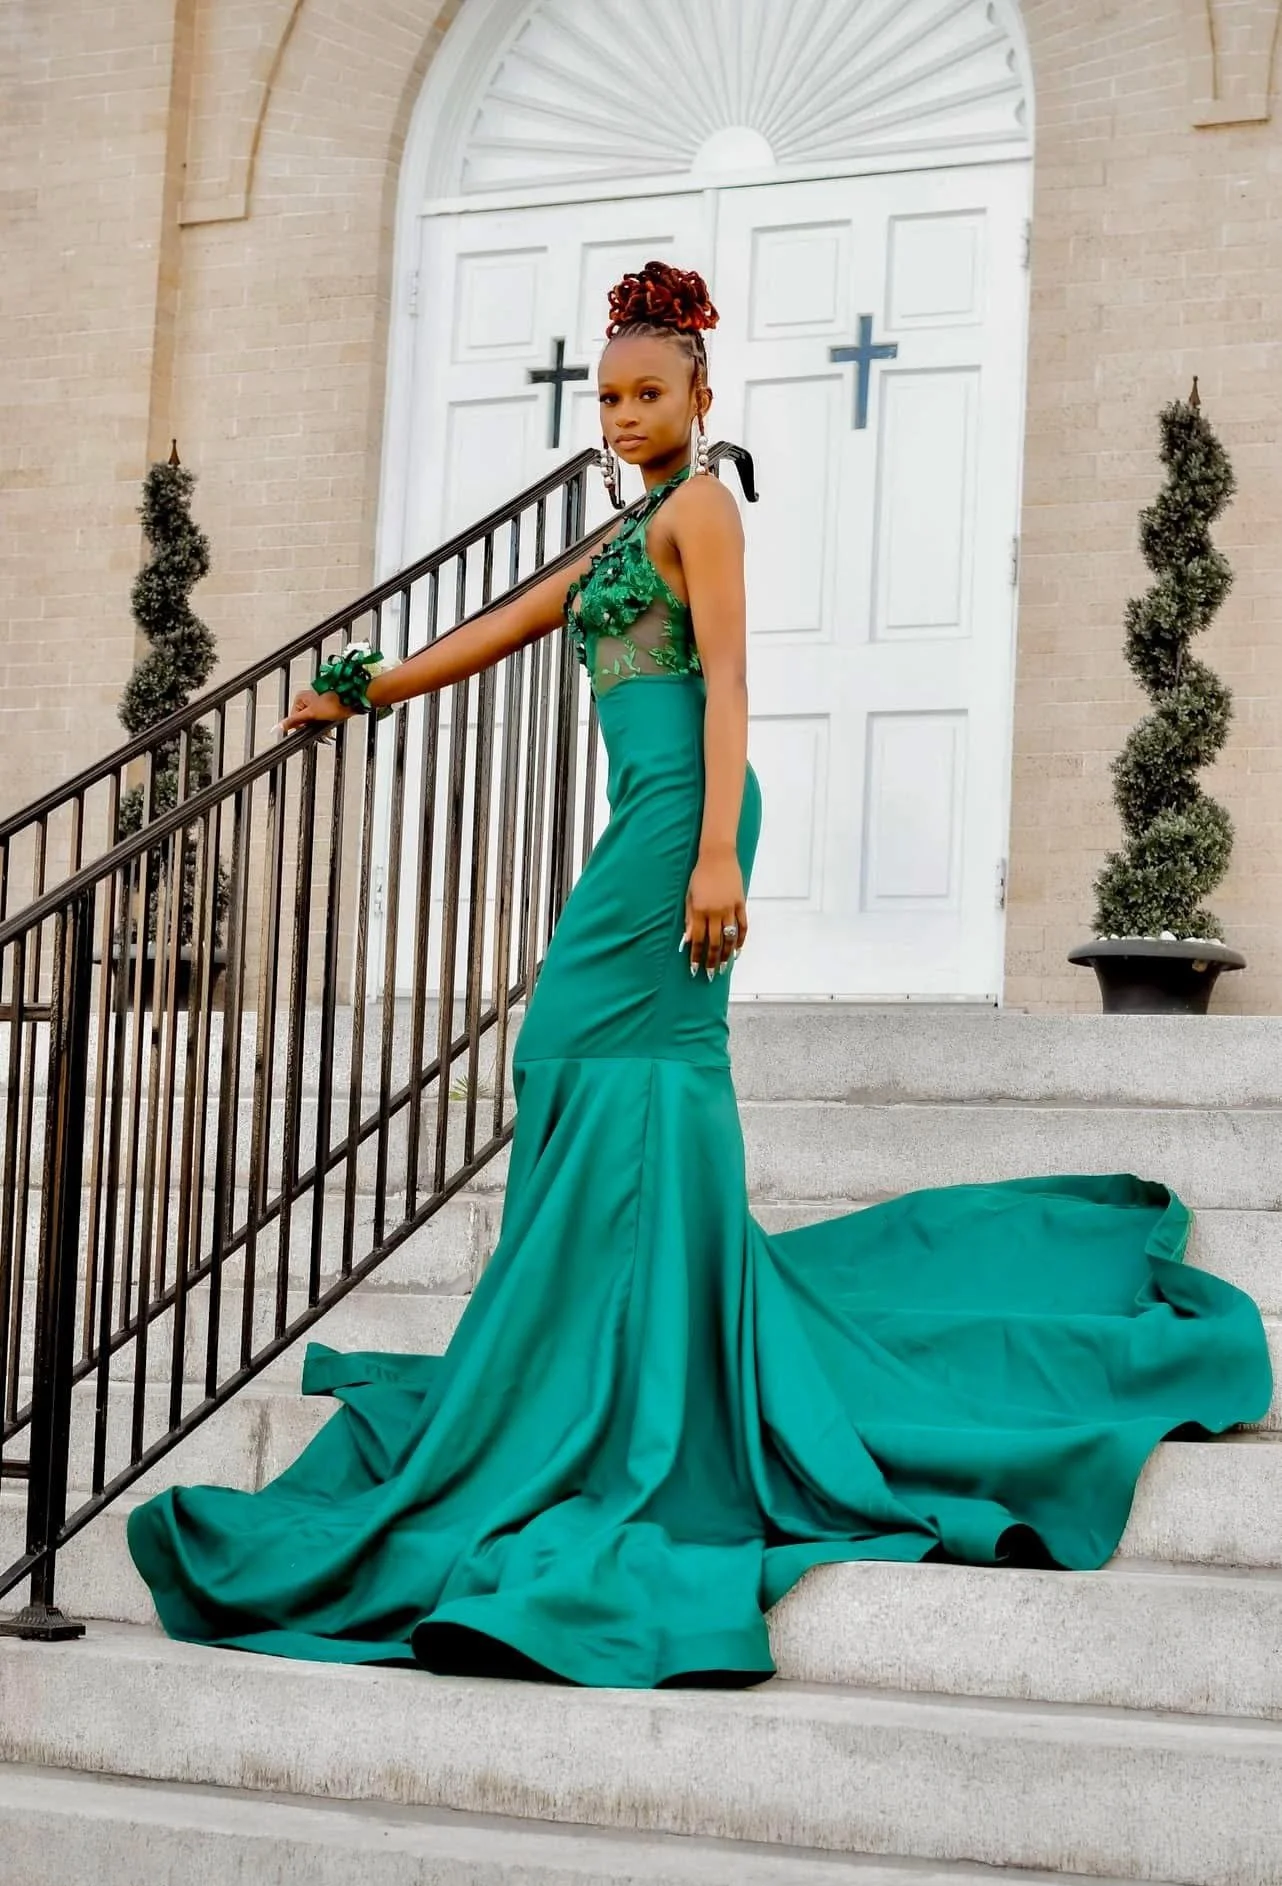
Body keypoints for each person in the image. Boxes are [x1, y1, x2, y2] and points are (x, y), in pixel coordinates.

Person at [127, 263, 1271, 1689]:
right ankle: (605, 1331)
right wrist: (365, 687)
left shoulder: (704, 509)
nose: (620, 413)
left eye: (645, 392)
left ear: (699, 398)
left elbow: (729, 684)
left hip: (685, 824)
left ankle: (632, 1357)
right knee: (571, 1063)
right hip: (649, 819)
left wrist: (719, 853)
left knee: (591, 1057)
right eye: (606, 393)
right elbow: (503, 624)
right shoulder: (625, 533)